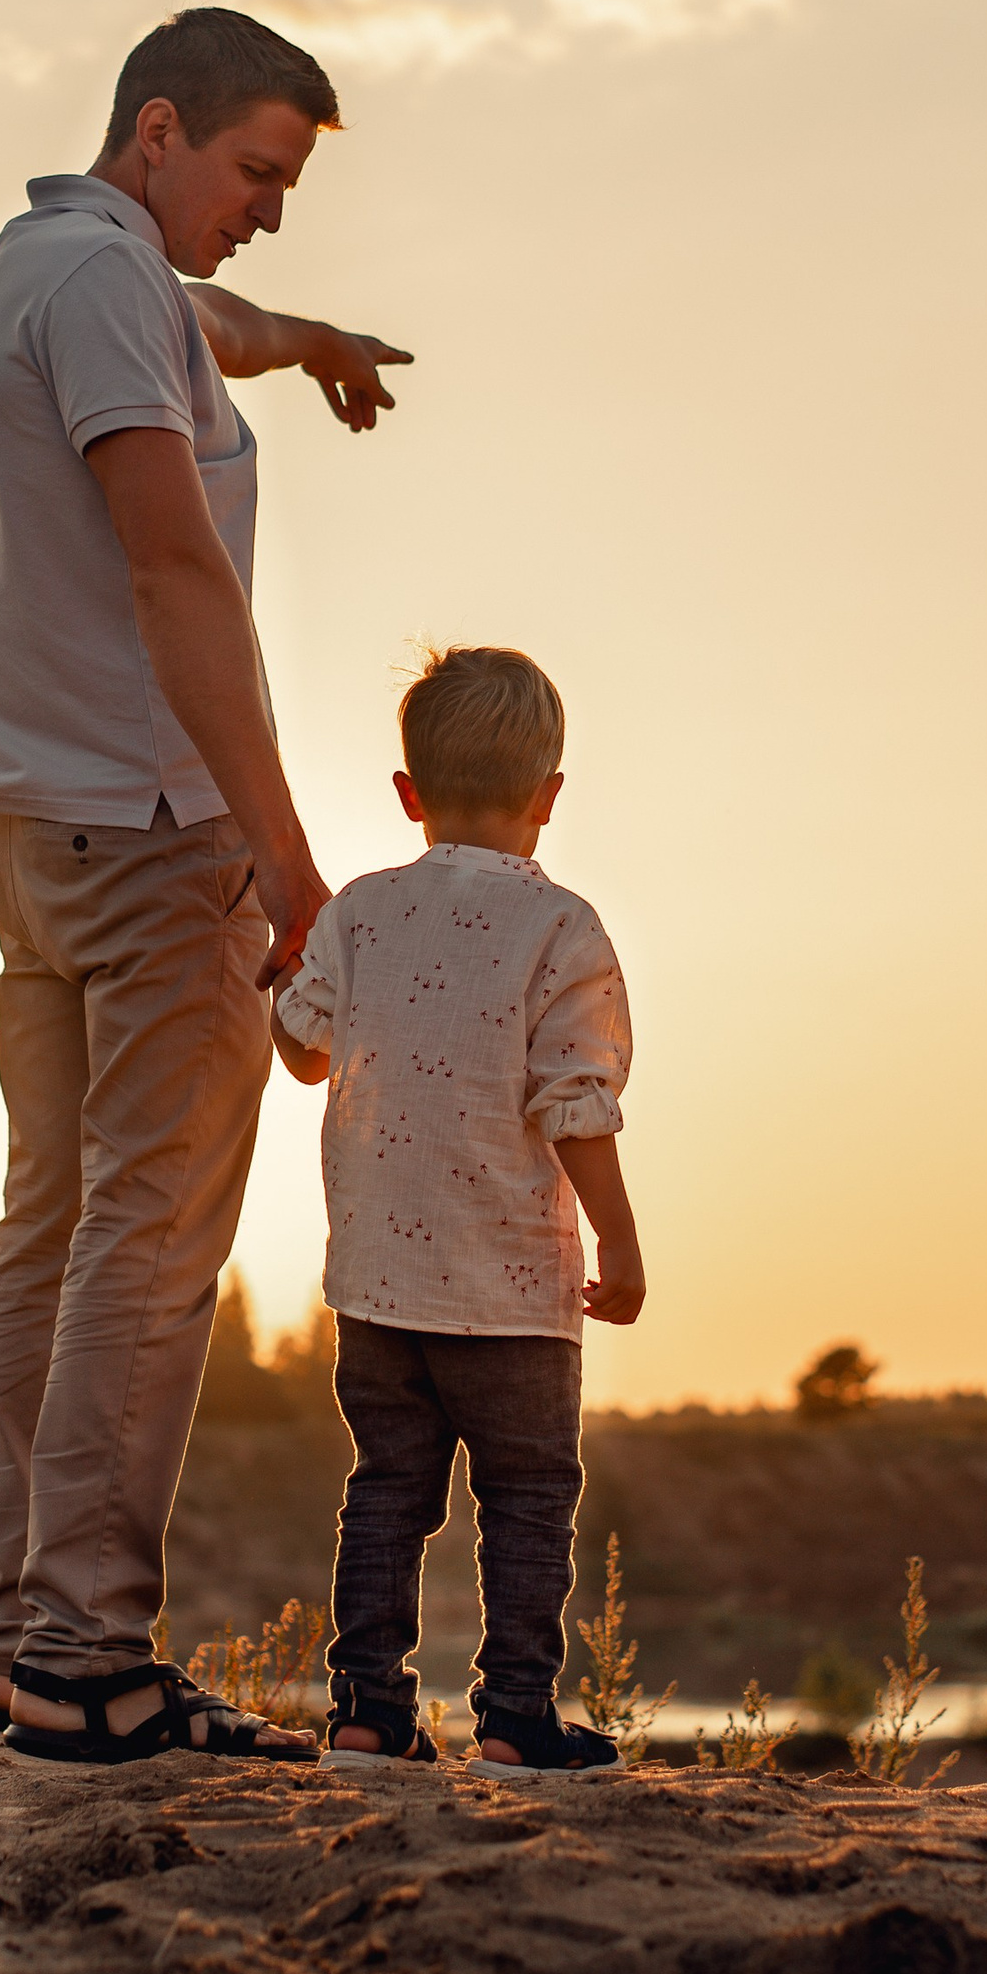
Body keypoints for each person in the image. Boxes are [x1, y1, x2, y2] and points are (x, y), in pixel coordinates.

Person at [0, 5, 411, 1765]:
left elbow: (225, 324)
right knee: (149, 1235)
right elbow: (178, 574)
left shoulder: (17, 274)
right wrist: (288, 863)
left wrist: (319, 339)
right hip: (153, 831)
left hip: (27, 832)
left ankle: (23, 1636)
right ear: (157, 131)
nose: (271, 206)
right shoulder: (114, 293)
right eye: (257, 169)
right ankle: (82, 1648)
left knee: (48, 1226)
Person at [272, 644, 643, 1777]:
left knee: (386, 1490)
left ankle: (366, 1714)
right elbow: (575, 1103)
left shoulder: (360, 916)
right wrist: (620, 1243)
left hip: (378, 1289)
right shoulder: (563, 930)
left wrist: (281, 965)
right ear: (549, 794)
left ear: (407, 794)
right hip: (513, 1292)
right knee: (526, 1499)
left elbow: (298, 1050)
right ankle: (516, 1718)